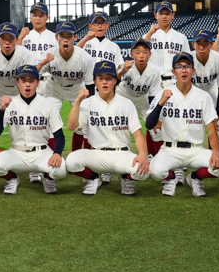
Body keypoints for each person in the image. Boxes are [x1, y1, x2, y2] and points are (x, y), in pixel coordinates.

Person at [145, 52, 219, 197]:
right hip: (170, 150)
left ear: (193, 71)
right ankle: (172, 178)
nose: (184, 70)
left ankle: (194, 178)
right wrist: (161, 103)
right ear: (173, 71)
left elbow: (211, 130)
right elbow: (149, 125)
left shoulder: (203, 96)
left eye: (187, 66)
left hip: (195, 150)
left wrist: (215, 152)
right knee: (156, 171)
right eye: (179, 66)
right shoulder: (163, 94)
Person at [66, 61, 150, 196]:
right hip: (97, 154)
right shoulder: (88, 103)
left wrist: (142, 154)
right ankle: (93, 178)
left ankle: (125, 178)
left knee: (144, 172)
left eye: (109, 78)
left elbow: (138, 134)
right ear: (95, 81)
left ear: (115, 80)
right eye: (100, 78)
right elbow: (71, 126)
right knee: (71, 161)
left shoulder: (126, 103)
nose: (104, 82)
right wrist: (77, 102)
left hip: (122, 154)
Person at [0, 65, 67, 195]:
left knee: (61, 170)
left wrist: (57, 153)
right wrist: (1, 110)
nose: (27, 84)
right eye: (23, 80)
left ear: (38, 82)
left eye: (31, 80)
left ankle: (47, 178)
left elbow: (59, 135)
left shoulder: (48, 105)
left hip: (41, 152)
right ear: (17, 83)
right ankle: (13, 178)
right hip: (17, 153)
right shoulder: (10, 104)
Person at [37, 21, 91, 152]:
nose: (65, 39)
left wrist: (91, 105)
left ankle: (77, 155)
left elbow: (91, 85)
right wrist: (43, 61)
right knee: (48, 122)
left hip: (77, 89)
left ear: (75, 38)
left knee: (85, 124)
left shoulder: (85, 58)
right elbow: (32, 73)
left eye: (69, 36)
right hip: (54, 88)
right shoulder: (49, 54)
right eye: (62, 36)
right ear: (56, 37)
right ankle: (49, 156)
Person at [0, 22, 38, 120]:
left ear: (16, 39)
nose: (7, 42)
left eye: (11, 38)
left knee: (27, 119)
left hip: (17, 90)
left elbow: (30, 79)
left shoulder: (25, 54)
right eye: (3, 38)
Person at [116, 37, 162, 123]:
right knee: (117, 123)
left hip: (143, 98)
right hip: (124, 94)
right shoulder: (125, 66)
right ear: (131, 54)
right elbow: (113, 82)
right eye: (137, 52)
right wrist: (122, 71)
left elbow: (153, 97)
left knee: (154, 124)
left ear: (150, 54)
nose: (141, 55)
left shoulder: (155, 71)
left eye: (145, 52)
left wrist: (155, 116)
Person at [77, 11, 124, 95]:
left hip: (106, 86)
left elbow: (118, 67)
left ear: (107, 25)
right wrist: (85, 39)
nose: (99, 25)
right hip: (87, 85)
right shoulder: (85, 43)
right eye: (96, 23)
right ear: (90, 26)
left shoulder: (114, 46)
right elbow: (72, 53)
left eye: (102, 22)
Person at [145, 1, 190, 88]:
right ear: (155, 15)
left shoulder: (181, 37)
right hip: (154, 82)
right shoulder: (148, 36)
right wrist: (149, 34)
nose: (164, 16)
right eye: (161, 13)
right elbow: (143, 53)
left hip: (175, 81)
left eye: (167, 13)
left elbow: (187, 61)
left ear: (172, 15)